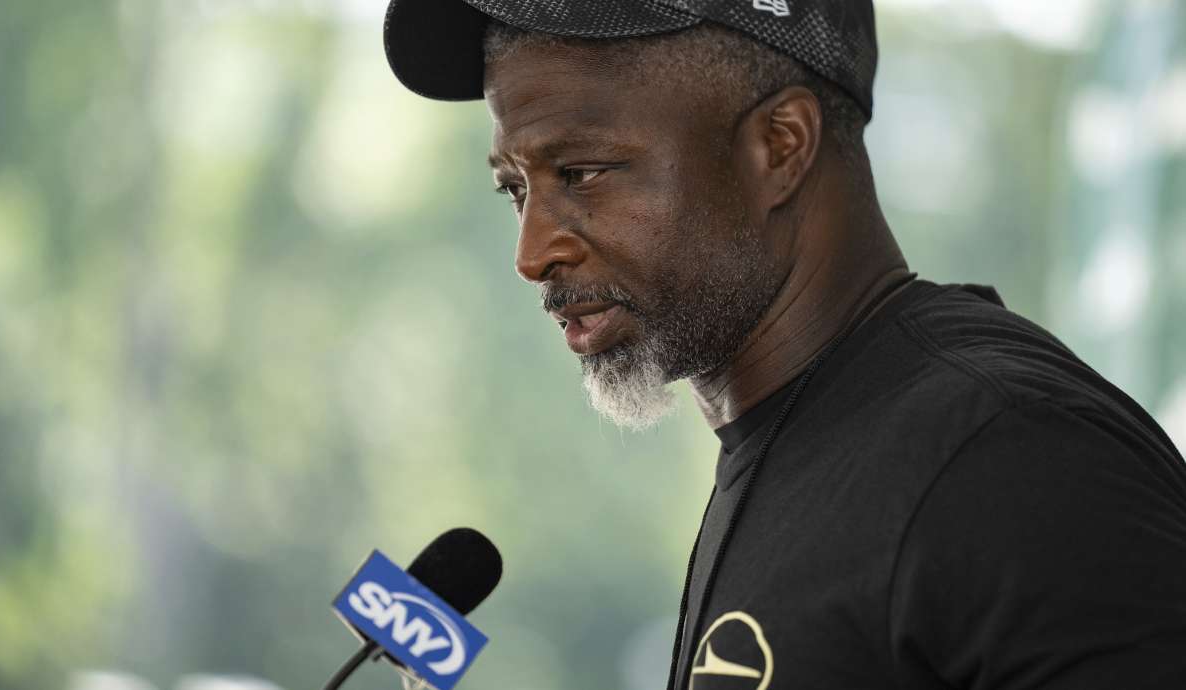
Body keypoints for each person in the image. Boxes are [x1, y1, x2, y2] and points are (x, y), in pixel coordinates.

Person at [381, 1, 1186, 688]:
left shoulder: (1010, 452)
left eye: (583, 173)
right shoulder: (802, 442)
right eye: (516, 190)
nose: (532, 253)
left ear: (781, 147)